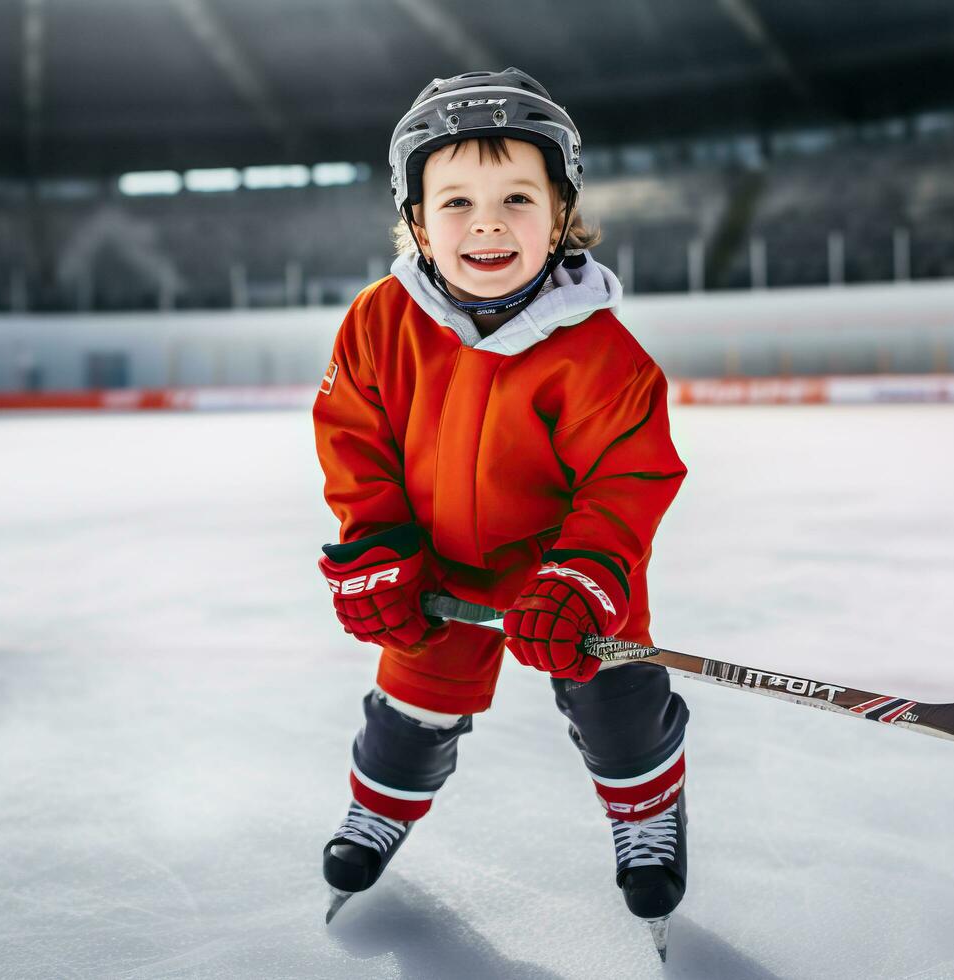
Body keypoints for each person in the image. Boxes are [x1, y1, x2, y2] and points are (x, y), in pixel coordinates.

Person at [313, 68, 690, 944]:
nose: (487, 221)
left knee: (615, 702)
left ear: (561, 214)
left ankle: (646, 814)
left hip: (571, 568)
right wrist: (372, 545)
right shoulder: (379, 321)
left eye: (518, 195)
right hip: (433, 559)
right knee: (412, 701)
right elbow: (352, 436)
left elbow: (628, 476)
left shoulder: (601, 352)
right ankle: (379, 808)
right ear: (414, 221)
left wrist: (587, 574)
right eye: (455, 201)